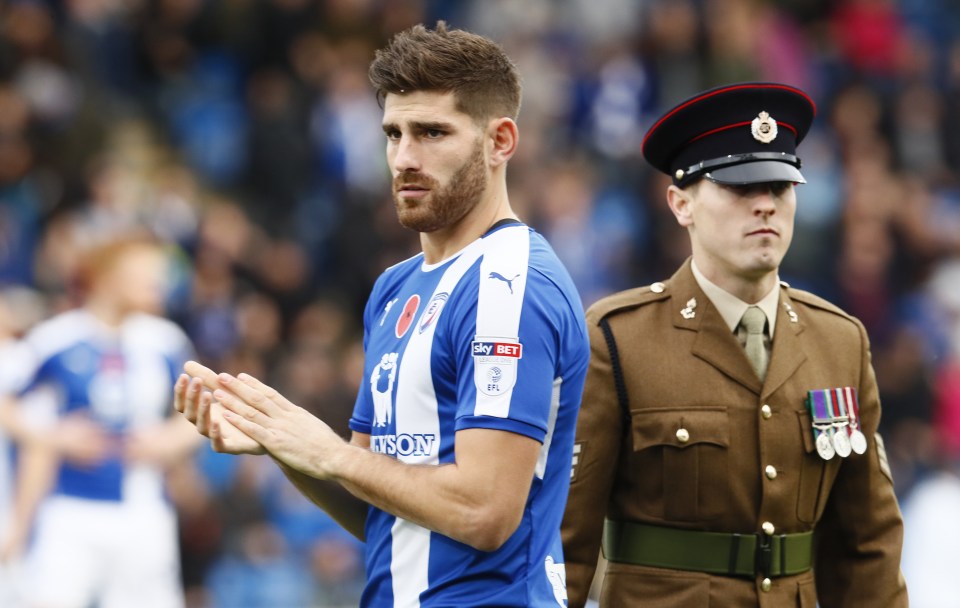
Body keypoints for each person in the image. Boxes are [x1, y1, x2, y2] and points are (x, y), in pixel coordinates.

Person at [174, 21, 590, 607]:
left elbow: (485, 511)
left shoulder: (507, 287)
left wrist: (331, 454)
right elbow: (380, 507)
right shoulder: (395, 288)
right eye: (393, 134)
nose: (404, 158)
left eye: (432, 133)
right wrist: (286, 444)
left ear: (501, 142)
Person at [560, 82, 908, 607]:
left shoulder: (840, 341)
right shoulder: (618, 340)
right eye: (740, 188)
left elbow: (867, 546)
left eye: (780, 186)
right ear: (681, 204)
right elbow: (566, 546)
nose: (766, 205)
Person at [0, 233, 202, 608]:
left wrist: (168, 440)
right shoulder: (56, 339)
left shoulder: (166, 341)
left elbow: (199, 419)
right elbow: (5, 404)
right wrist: (51, 437)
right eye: (147, 273)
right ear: (109, 276)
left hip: (144, 510)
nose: (159, 284)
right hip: (68, 510)